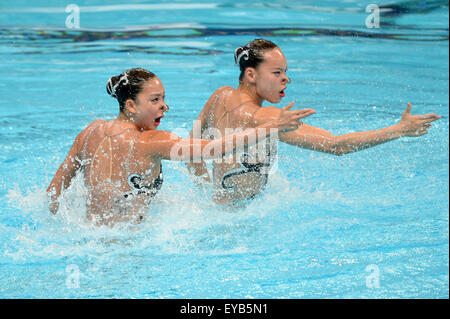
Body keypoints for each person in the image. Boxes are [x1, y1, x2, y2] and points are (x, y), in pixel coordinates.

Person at [186, 38, 441, 205]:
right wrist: (398, 130)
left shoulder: (220, 96)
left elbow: (191, 150)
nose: (286, 80)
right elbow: (335, 145)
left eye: (285, 72)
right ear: (251, 75)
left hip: (218, 208)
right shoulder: (267, 118)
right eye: (277, 73)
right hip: (241, 223)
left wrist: (207, 193)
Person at [46, 67, 314, 226]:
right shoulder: (151, 141)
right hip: (130, 248)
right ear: (130, 106)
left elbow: (53, 194)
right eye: (155, 100)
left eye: (163, 99)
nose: (164, 107)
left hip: (90, 236)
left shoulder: (89, 132)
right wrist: (271, 128)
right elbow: (214, 149)